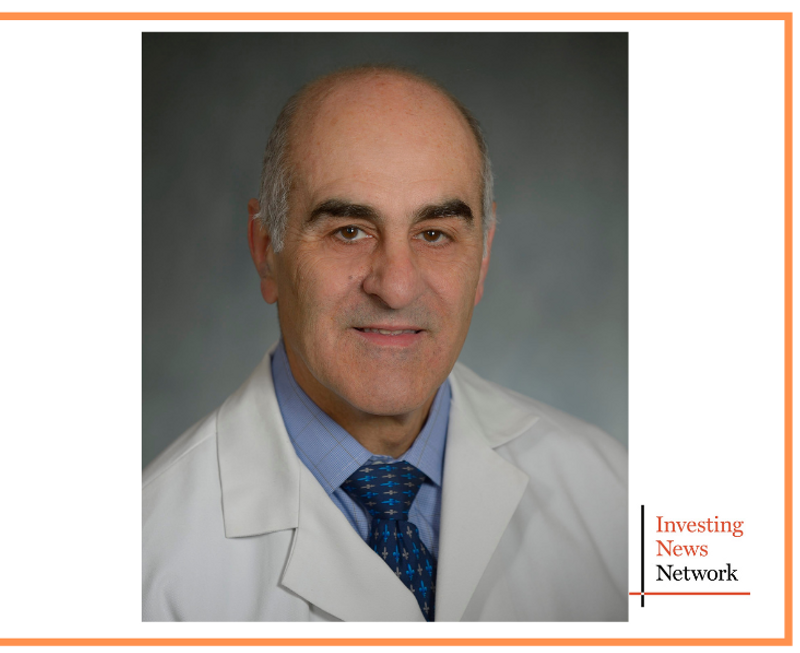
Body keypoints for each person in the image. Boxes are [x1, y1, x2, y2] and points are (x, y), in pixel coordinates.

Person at [142, 65, 627, 622]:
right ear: (265, 250)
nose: (396, 287)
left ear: (484, 255)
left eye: (434, 234)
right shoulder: (148, 568)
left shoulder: (609, 494)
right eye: (349, 231)